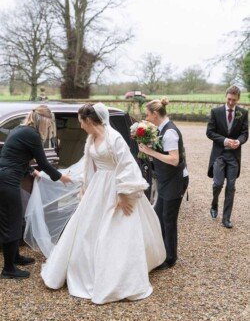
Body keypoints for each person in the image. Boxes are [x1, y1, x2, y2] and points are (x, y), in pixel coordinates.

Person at [40, 103, 166, 304]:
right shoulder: (91, 139)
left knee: (117, 231)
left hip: (116, 187)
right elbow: (89, 165)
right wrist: (85, 187)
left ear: (89, 121)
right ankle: (86, 269)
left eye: (81, 123)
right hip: (98, 188)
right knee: (87, 230)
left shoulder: (113, 138)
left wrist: (124, 194)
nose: (81, 126)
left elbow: (127, 164)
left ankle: (117, 276)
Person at [0, 105, 72, 279]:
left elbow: (16, 156)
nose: (48, 128)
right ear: (43, 121)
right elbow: (45, 162)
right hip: (7, 180)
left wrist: (32, 172)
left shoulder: (20, 129)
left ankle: (15, 257)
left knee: (15, 219)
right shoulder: (32, 135)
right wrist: (61, 177)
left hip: (5, 177)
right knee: (11, 222)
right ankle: (8, 269)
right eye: (48, 125)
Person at [139, 97, 189, 270]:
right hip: (166, 180)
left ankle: (171, 258)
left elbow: (174, 160)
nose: (146, 118)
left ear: (155, 114)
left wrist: (150, 152)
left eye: (147, 115)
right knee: (158, 216)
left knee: (169, 219)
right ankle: (161, 253)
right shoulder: (160, 129)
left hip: (175, 181)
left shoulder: (169, 132)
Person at [206, 85, 248, 228]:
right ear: (226, 97)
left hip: (234, 156)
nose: (231, 103)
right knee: (218, 184)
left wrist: (239, 141)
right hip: (219, 154)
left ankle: (226, 218)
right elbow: (210, 132)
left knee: (231, 187)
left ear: (238, 99)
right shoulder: (215, 112)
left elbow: (245, 133)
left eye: (234, 100)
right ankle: (214, 203)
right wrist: (224, 140)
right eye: (229, 99)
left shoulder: (243, 113)